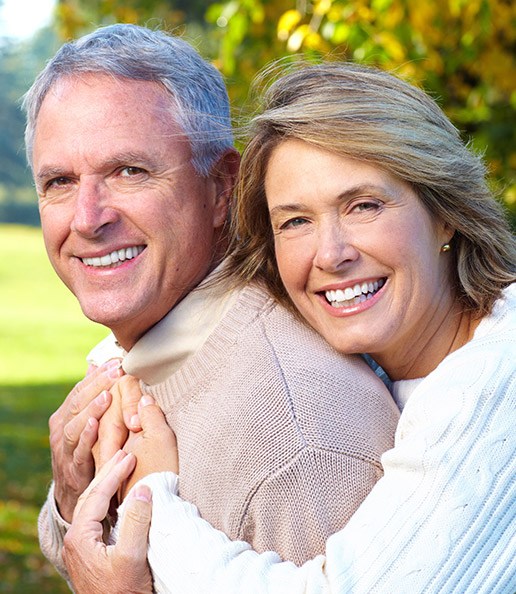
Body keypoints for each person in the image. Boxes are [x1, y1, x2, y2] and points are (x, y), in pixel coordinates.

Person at [63, 61, 516, 593]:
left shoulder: (494, 377)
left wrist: (155, 505)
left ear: (446, 214)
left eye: (364, 205)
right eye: (295, 221)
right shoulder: (397, 363)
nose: (331, 254)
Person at [24, 27, 400, 586]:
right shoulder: (152, 343)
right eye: (59, 181)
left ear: (222, 187)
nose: (87, 217)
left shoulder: (301, 449)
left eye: (130, 171)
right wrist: (74, 497)